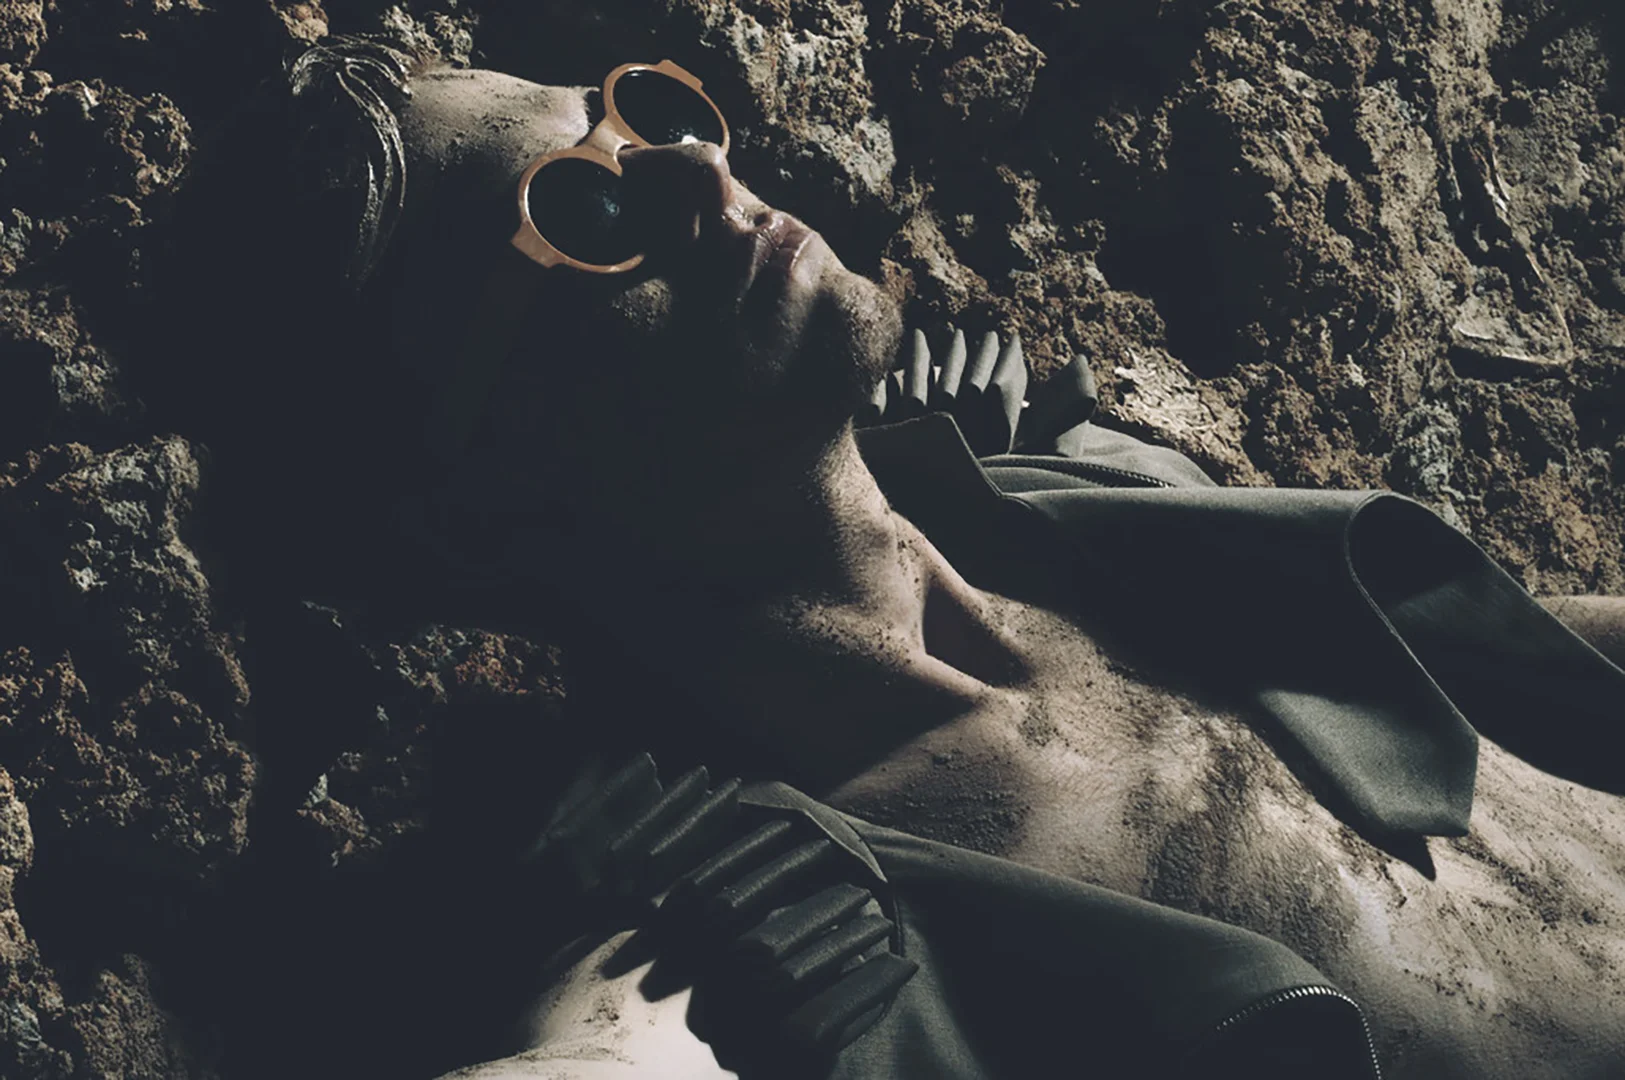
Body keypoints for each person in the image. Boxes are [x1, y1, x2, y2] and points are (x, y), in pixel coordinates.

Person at [155, 35, 1625, 1080]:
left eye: (639, 117)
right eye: (582, 212)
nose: (699, 172)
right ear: (476, 512)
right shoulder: (737, 936)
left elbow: (1525, 675)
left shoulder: (1098, 500)